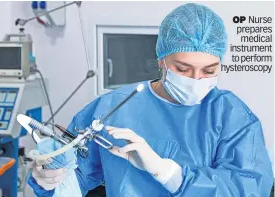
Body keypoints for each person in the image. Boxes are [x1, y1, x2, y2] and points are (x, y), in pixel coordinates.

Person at [28, 3, 273, 197]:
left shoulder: (231, 115)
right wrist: (49, 179)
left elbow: (249, 188)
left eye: (209, 71)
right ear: (162, 61)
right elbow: (76, 178)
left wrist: (168, 173)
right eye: (183, 69)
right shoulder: (113, 107)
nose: (196, 79)